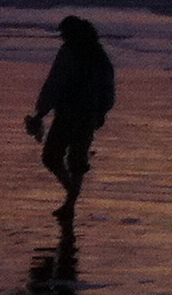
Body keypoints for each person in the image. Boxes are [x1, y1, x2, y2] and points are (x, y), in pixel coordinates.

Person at [24, 16, 116, 220]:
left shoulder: (69, 53)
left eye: (64, 34)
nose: (63, 38)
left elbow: (54, 83)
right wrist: (102, 112)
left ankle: (70, 198)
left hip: (69, 113)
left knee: (52, 157)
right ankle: (71, 201)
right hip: (88, 115)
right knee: (77, 161)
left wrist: (41, 112)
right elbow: (108, 89)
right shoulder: (100, 56)